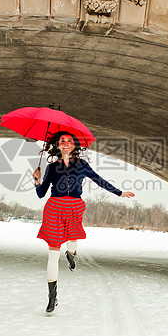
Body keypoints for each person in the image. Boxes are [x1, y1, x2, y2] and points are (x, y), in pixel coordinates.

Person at [33, 131, 135, 314]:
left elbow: (99, 180)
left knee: (72, 241)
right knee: (52, 254)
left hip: (74, 208)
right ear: (57, 145)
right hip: (54, 208)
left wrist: (119, 193)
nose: (66, 143)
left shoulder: (81, 165)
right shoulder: (51, 167)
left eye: (69, 141)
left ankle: (71, 254)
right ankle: (51, 298)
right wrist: (36, 181)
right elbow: (41, 193)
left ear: (74, 146)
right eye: (62, 141)